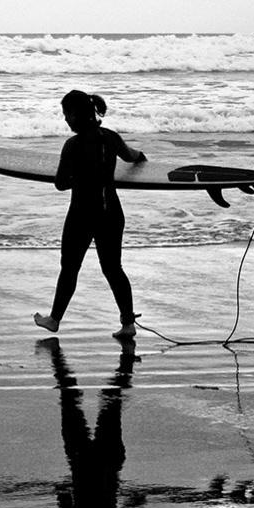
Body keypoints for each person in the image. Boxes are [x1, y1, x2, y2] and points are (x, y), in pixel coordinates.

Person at [34, 90, 146, 339]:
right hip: (111, 212)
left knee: (70, 267)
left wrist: (75, 175)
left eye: (66, 115)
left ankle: (54, 320)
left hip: (82, 213)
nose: (65, 120)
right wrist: (142, 159)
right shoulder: (111, 138)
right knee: (113, 268)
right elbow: (131, 155)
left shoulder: (72, 146)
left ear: (75, 115)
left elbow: (61, 183)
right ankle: (128, 324)